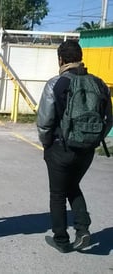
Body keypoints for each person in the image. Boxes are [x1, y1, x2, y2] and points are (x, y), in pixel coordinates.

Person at [37, 40, 112, 253]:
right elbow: (109, 119)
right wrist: (94, 140)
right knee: (72, 185)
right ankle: (83, 229)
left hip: (61, 148)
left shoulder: (56, 83)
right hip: (87, 150)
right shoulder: (99, 84)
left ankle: (61, 240)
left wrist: (46, 144)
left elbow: (45, 120)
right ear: (80, 57)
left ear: (60, 59)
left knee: (58, 193)